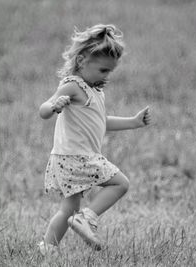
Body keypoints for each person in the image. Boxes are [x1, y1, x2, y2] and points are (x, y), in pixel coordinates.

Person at [38, 24, 151, 255]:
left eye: (110, 71)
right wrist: (53, 106)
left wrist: (133, 122)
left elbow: (101, 121)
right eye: (103, 70)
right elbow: (43, 109)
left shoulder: (95, 92)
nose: (107, 76)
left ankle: (47, 249)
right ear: (81, 61)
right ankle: (87, 218)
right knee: (120, 183)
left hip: (67, 158)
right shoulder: (73, 85)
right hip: (77, 156)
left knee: (67, 209)